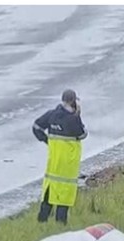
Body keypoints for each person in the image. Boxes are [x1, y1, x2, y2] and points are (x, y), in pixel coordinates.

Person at [33, 89, 87, 224]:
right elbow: (83, 134)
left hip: (54, 162)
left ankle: (42, 220)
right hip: (68, 164)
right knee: (64, 196)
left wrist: (47, 141)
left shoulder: (51, 115)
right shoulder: (73, 119)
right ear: (74, 101)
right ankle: (60, 223)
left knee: (49, 192)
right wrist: (78, 114)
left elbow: (36, 127)